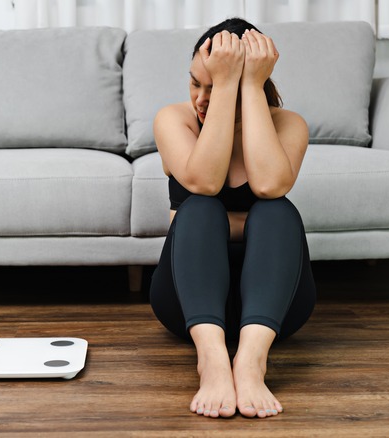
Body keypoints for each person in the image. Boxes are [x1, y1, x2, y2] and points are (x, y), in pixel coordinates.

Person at [149, 17, 316, 419]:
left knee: (277, 211)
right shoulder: (175, 120)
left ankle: (252, 362)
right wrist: (225, 86)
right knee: (200, 209)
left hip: (275, 308)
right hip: (189, 303)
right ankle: (212, 361)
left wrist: (250, 86)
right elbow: (203, 183)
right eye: (196, 83)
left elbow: (270, 186)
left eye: (216, 84)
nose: (201, 99)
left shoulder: (288, 124)